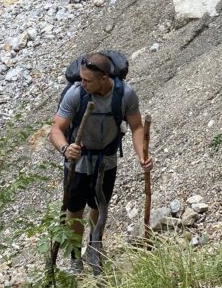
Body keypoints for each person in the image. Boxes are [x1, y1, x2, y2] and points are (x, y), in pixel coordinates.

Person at [49, 52, 152, 274]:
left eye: (87, 80)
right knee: (74, 210)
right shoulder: (76, 94)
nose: (81, 83)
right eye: (81, 78)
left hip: (107, 160)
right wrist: (66, 149)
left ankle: (95, 246)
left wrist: (141, 156)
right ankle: (75, 257)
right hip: (77, 161)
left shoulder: (124, 95)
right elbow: (56, 129)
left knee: (99, 206)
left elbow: (136, 126)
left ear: (104, 78)